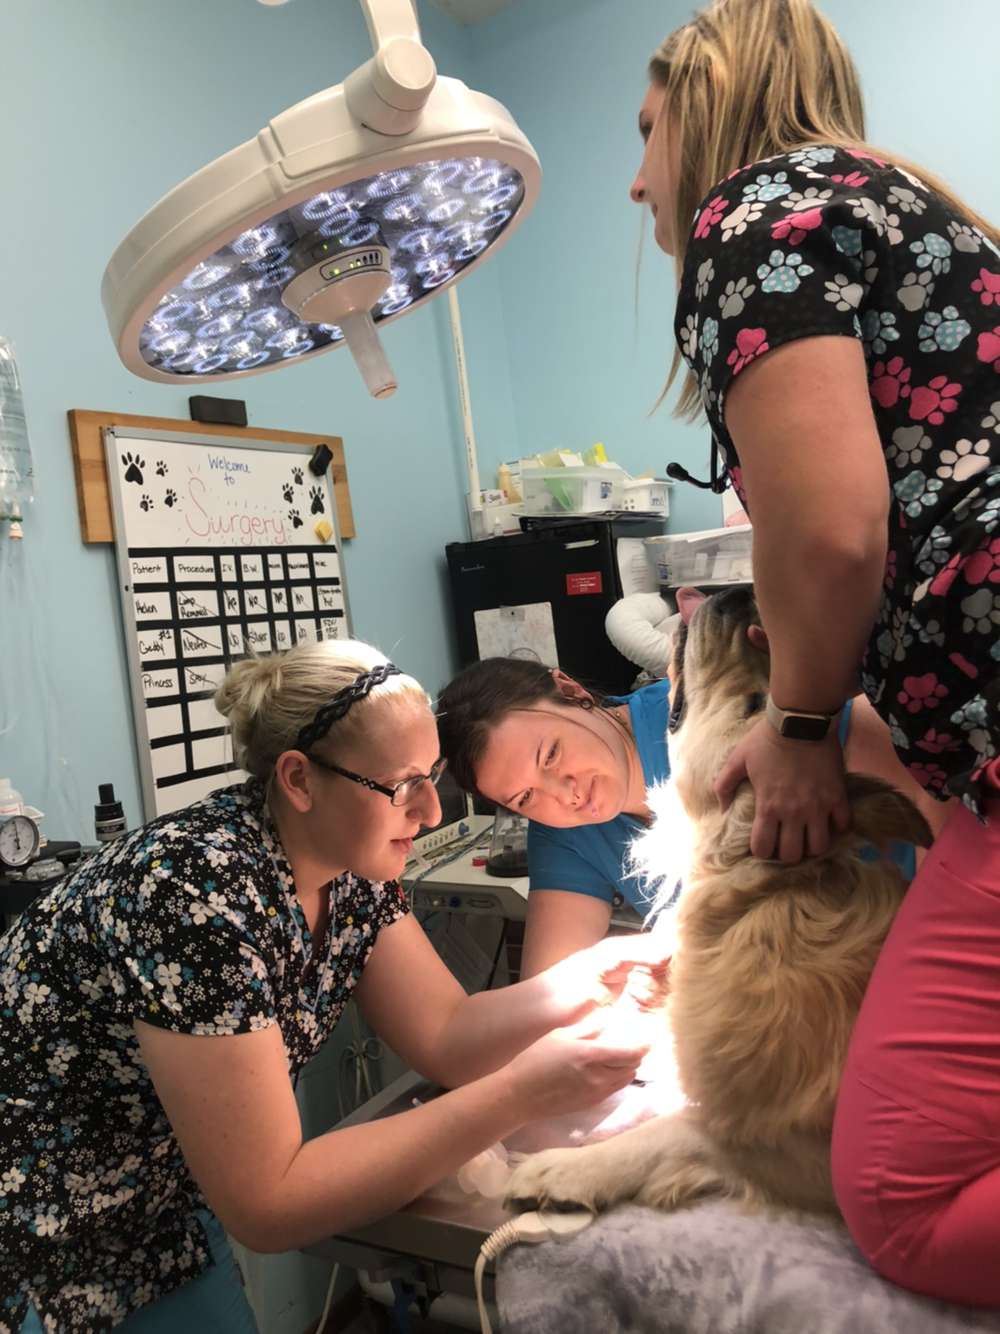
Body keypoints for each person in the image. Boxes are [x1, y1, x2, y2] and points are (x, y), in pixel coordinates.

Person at [628, 0, 1000, 1305]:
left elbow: (833, 537)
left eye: (646, 129)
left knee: (901, 1202)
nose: (635, 178)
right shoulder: (919, 214)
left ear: (710, 105)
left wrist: (795, 729)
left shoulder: (756, 219)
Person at [0, 640, 668, 1333]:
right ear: (299, 780)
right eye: (402, 785)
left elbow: (446, 1035)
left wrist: (586, 978)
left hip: (158, 1200)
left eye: (432, 779)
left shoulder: (351, 871)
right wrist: (520, 1092)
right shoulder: (193, 891)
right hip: (33, 1219)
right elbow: (269, 1201)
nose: (431, 812)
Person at [437, 651, 942, 976]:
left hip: (914, 946)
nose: (563, 795)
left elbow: (932, 790)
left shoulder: (710, 715)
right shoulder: (565, 834)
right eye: (524, 798)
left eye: (551, 755)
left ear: (571, 691)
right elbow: (553, 991)